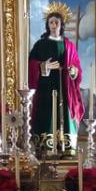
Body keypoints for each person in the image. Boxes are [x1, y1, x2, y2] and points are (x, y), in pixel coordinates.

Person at [28, 11, 84, 155]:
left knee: (64, 112)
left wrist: (73, 71)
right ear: (47, 25)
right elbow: (30, 64)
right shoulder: (40, 45)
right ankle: (46, 147)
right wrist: (43, 66)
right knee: (46, 113)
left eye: (56, 23)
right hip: (46, 87)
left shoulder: (69, 46)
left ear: (61, 25)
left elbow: (76, 64)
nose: (53, 25)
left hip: (64, 86)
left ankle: (66, 148)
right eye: (51, 22)